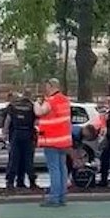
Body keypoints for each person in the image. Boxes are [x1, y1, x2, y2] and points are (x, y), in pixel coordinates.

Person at [33, 78, 73, 207]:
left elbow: (39, 112)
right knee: (62, 168)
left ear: (51, 86)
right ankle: (62, 196)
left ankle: (54, 198)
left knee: (54, 169)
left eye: (46, 86)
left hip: (51, 140)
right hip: (63, 140)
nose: (45, 89)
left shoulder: (51, 101)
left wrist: (37, 102)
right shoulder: (65, 100)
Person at [3, 90, 38, 190]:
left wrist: (5, 133)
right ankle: (29, 182)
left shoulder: (13, 105)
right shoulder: (32, 106)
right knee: (28, 159)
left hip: (16, 134)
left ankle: (10, 182)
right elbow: (36, 122)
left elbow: (8, 120)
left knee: (14, 159)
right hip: (28, 134)